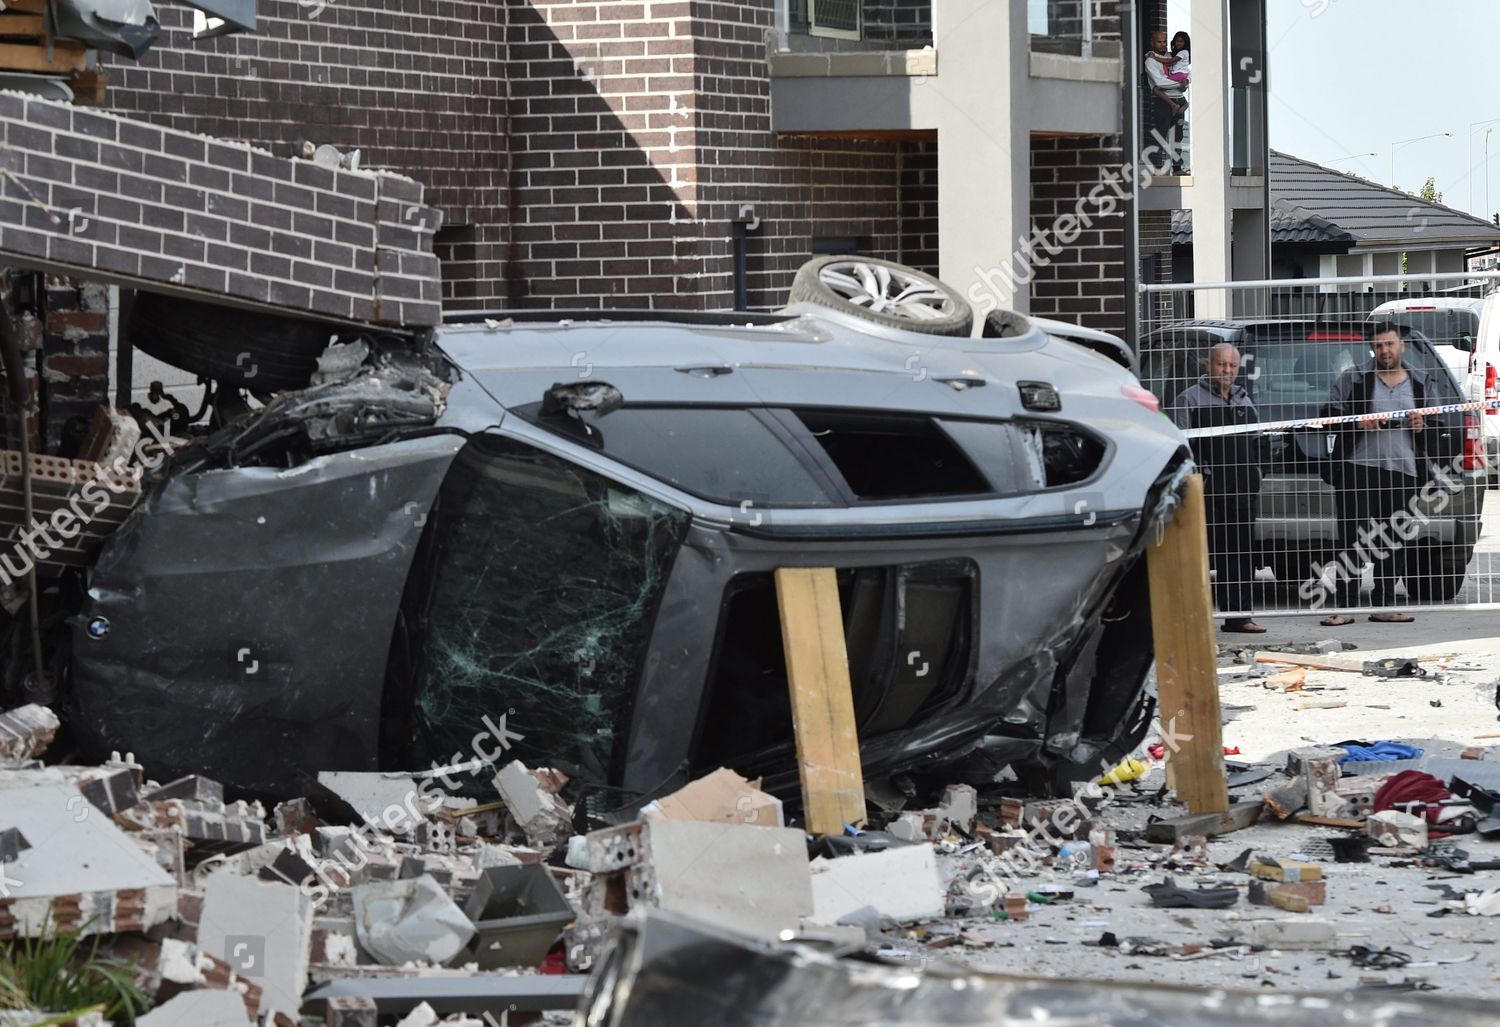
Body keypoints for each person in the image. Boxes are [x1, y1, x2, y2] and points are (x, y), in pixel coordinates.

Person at [1318, 322, 1431, 626]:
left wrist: (1422, 426)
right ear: (1372, 348)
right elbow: (1327, 414)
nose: (1384, 351)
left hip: (1403, 470)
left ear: (1401, 346)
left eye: (1389, 344)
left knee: (1393, 540)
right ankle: (1346, 606)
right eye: (1378, 346)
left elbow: (1437, 424)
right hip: (1358, 468)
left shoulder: (1420, 381)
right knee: (1352, 539)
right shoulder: (1354, 378)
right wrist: (1357, 421)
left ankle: (1384, 604)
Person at [1170, 343, 1266, 633]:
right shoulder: (1188, 400)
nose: (1227, 370)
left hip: (1242, 490)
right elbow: (1180, 448)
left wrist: (1256, 475)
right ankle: (1189, 620)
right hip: (1205, 493)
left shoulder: (1244, 400)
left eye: (1232, 366)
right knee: (1198, 554)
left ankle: (1239, 617)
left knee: (1240, 553)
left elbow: (1258, 443)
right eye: (1221, 364)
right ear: (1207, 365)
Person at [1143, 29, 1187, 172]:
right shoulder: (1150, 61)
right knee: (1160, 135)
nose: (1162, 44)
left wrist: (1185, 83)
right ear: (1152, 43)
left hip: (1178, 99)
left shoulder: (1171, 57)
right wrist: (1179, 84)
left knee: (1177, 136)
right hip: (1162, 102)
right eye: (1159, 42)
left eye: (1164, 42)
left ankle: (1177, 167)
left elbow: (1184, 73)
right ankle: (1156, 167)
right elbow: (1159, 83)